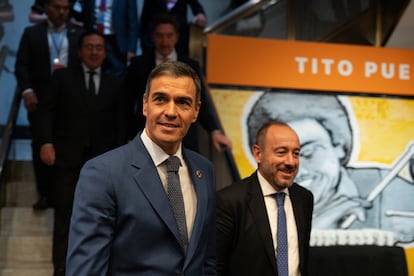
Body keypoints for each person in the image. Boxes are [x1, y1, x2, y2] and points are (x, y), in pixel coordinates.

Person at [66, 61, 216, 275]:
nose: (171, 112)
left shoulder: (205, 170)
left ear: (195, 111)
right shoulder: (103, 173)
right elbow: (86, 270)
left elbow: (206, 260)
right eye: (160, 99)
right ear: (145, 105)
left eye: (183, 102)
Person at [246, 91, 414, 243]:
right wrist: (317, 236)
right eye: (279, 155)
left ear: (338, 146)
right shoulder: (250, 212)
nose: (294, 166)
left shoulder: (391, 194)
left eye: (309, 153)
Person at [38, 30, 127, 275]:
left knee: (104, 219)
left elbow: (122, 125)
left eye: (99, 47)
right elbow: (45, 111)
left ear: (105, 52)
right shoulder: (62, 78)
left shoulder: (115, 83)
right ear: (79, 51)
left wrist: (122, 160)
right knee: (65, 216)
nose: (94, 52)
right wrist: (46, 142)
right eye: (89, 47)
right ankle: (60, 269)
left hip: (104, 166)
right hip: (66, 161)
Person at [216, 120, 314, 276]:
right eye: (281, 152)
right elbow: (216, 267)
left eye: (296, 153)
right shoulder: (229, 201)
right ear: (258, 153)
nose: (290, 162)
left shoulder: (304, 198)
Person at [126, 14, 232, 153]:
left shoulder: (191, 65)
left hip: (185, 142)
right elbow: (127, 105)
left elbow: (202, 103)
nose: (164, 41)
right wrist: (127, 138)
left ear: (176, 37)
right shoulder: (138, 65)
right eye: (160, 36)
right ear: (153, 37)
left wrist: (214, 131)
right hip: (147, 140)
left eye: (169, 36)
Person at [15, 0, 84, 210]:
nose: (62, 12)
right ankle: (44, 193)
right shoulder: (31, 33)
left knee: (68, 148)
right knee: (40, 145)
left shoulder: (78, 34)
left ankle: (70, 194)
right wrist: (27, 91)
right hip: (40, 101)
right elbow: (21, 65)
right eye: (57, 7)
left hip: (69, 103)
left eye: (65, 8)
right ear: (46, 8)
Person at [73, 0, 138, 77]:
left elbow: (133, 22)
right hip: (94, 37)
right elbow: (80, 10)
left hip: (116, 40)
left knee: (118, 70)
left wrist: (131, 48)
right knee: (93, 70)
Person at [140, 0, 207, 56]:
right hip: (154, 41)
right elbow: (145, 18)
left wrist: (200, 14)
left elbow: (196, 6)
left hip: (180, 40)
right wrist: (144, 40)